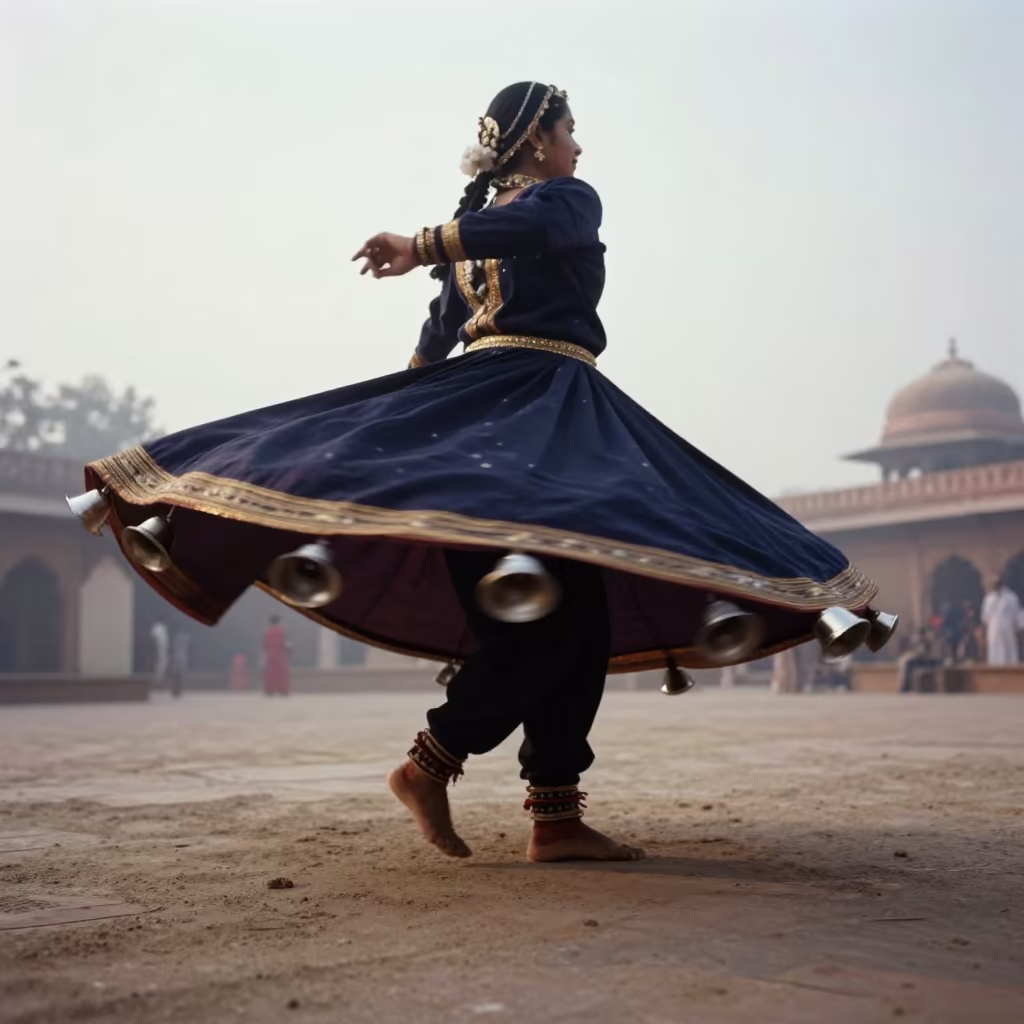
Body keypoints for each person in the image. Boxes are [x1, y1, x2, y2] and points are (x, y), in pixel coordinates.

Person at [81, 81, 877, 863]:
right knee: (533, 640)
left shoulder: (514, 220)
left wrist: (426, 266)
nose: (579, 146)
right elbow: (435, 344)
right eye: (571, 130)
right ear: (538, 140)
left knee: (581, 628)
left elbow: (467, 297)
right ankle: (427, 766)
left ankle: (557, 821)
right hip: (505, 435)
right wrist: (403, 418)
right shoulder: (548, 208)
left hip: (556, 430)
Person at [981, 577, 1022, 665]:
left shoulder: (1011, 597)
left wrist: (1019, 629)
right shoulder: (989, 599)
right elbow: (985, 617)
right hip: (994, 629)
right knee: (994, 650)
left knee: (1008, 651)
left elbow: (1017, 615)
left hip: (1008, 628)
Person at [263, 615, 291, 696]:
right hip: (280, 655)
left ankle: (269, 690)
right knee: (281, 674)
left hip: (270, 655)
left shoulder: (267, 631)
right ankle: (283, 690)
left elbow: (265, 644)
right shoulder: (281, 631)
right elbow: (283, 642)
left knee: (270, 673)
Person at [169, 629, 190, 698]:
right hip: (182, 657)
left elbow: (173, 648)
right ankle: (177, 691)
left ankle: (175, 691)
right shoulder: (186, 637)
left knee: (176, 676)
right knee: (179, 676)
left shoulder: (177, 637)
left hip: (176, 657)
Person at [150, 621, 169, 686]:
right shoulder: (157, 628)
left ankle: (159, 680)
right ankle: (157, 680)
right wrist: (154, 650)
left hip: (162, 649)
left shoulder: (163, 628)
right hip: (158, 648)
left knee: (163, 663)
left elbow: (165, 641)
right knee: (158, 664)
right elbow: (153, 640)